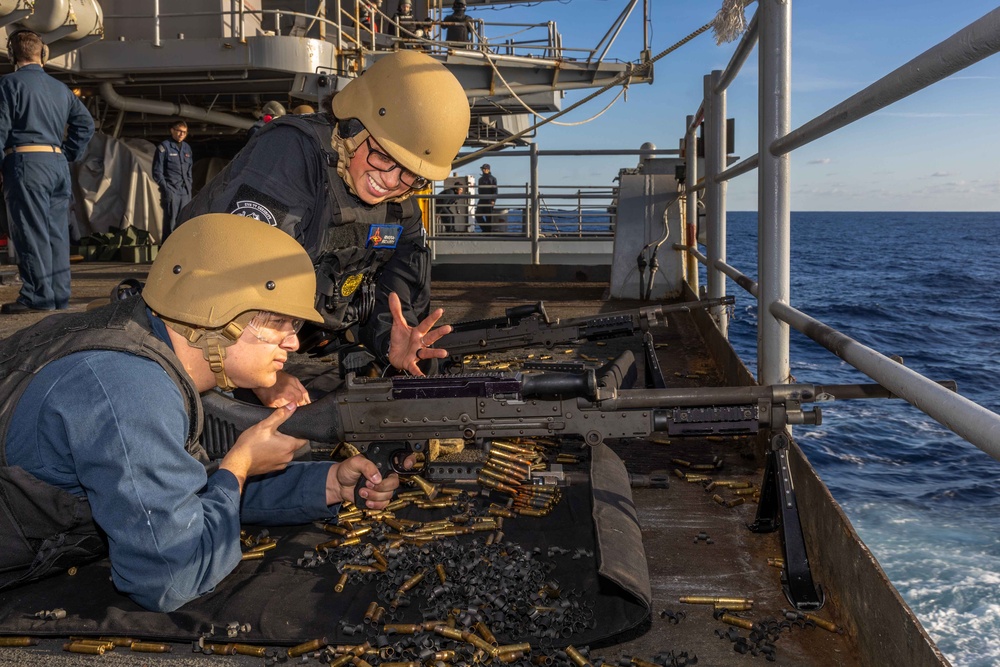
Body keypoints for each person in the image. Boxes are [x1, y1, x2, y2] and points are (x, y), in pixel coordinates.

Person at [0, 213, 405, 611]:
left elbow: (179, 489)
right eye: (278, 323)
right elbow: (171, 576)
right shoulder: (134, 389)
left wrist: (331, 484)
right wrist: (240, 466)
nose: (294, 343)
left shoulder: (140, 344)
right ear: (214, 315)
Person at [179, 51, 471, 376]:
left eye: (410, 174)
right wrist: (264, 381)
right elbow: (232, 278)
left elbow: (399, 285)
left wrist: (391, 341)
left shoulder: (401, 201)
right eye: (381, 156)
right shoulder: (290, 154)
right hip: (205, 332)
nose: (389, 182)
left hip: (295, 336)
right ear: (351, 127)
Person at [0, 29, 94, 314]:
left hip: (26, 164)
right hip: (56, 165)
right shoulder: (60, 88)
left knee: (31, 231)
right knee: (56, 233)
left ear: (12, 54)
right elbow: (85, 125)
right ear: (43, 53)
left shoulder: (8, 84)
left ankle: (36, 297)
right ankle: (58, 295)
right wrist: (67, 155)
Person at [151, 120, 193, 243]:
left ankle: (182, 249)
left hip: (185, 191)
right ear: (172, 131)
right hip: (171, 190)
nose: (181, 134)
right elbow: (157, 172)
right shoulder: (164, 147)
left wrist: (189, 186)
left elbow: (189, 169)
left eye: (184, 132)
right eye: (179, 131)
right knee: (171, 222)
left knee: (185, 221)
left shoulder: (187, 148)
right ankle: (168, 252)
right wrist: (166, 189)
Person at [476, 163, 498, 233]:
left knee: (488, 216)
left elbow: (495, 190)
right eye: (483, 169)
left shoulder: (492, 179)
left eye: (485, 169)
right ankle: (486, 230)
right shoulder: (480, 179)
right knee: (478, 214)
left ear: (488, 170)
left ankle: (487, 231)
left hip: (489, 199)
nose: (483, 170)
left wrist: (493, 200)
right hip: (482, 199)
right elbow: (479, 189)